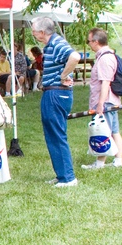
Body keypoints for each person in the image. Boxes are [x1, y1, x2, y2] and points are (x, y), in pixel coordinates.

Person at [31, 16, 81, 187]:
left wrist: (64, 75)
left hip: (56, 93)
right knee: (52, 135)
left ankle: (68, 177)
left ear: (42, 32)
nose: (33, 33)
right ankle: (61, 174)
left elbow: (74, 56)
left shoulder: (57, 43)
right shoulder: (50, 45)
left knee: (57, 135)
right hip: (52, 92)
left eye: (34, 30)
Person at [82, 27, 122, 170]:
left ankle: (100, 163)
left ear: (95, 41)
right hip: (111, 100)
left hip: (106, 101)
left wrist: (100, 104)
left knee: (103, 132)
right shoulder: (106, 55)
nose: (89, 44)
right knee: (114, 131)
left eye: (89, 42)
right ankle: (117, 161)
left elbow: (105, 82)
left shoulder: (105, 58)